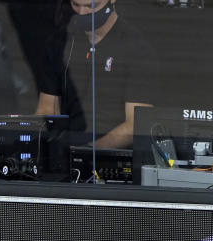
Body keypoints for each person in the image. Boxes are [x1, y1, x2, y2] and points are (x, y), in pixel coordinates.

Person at [35, 0, 156, 148]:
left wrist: (88, 151)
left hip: (109, 153)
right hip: (65, 151)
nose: (81, 13)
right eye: (76, 5)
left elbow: (135, 124)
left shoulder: (135, 47)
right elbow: (47, 108)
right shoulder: (61, 41)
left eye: (91, 6)